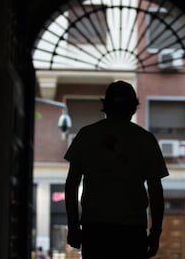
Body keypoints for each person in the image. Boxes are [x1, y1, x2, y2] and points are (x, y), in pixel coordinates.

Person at [64, 80, 169, 258]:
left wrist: (74, 226)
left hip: (95, 228)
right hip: (132, 229)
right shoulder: (145, 140)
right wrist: (155, 232)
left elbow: (71, 184)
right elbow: (155, 190)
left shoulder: (87, 135)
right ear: (133, 108)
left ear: (105, 106)